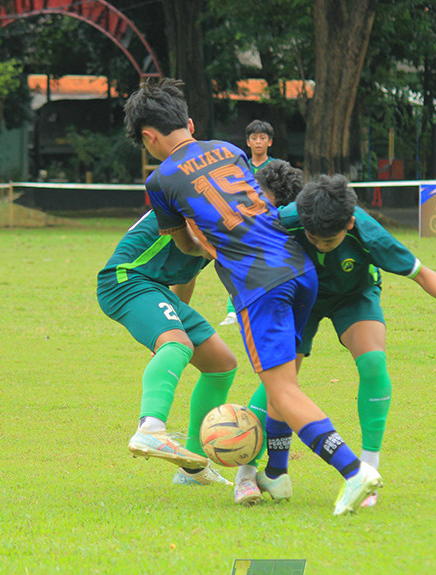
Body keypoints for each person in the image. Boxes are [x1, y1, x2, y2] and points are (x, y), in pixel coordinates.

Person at [123, 77, 381, 516]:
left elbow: (184, 247)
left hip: (259, 285)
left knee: (281, 390)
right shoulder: (231, 149)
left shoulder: (160, 180)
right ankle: (276, 475)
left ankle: (354, 470)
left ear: (149, 137)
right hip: (299, 268)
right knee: (283, 384)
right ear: (186, 121)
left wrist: (196, 231)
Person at [241, 169, 436, 508]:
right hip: (299, 297)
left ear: (349, 224)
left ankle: (368, 467)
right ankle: (249, 472)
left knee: (373, 361)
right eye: (314, 239)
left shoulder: (369, 232)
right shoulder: (288, 219)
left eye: (329, 240)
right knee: (280, 379)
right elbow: (242, 239)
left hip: (353, 296)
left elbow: (420, 272)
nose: (320, 245)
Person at [97, 210, 238, 487]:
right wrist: (171, 338)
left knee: (221, 364)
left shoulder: (220, 206)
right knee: (178, 344)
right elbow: (196, 243)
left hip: (155, 290)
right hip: (127, 280)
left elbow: (186, 273)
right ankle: (150, 429)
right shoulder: (199, 201)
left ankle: (193, 470)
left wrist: (168, 325)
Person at [220, 119, 276, 327]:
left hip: (268, 226)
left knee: (268, 266)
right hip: (242, 225)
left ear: (270, 142)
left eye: (263, 138)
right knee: (237, 265)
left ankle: (265, 309)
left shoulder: (276, 167)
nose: (258, 142)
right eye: (254, 138)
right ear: (248, 142)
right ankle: (232, 311)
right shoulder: (240, 166)